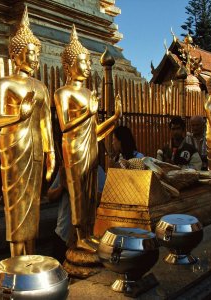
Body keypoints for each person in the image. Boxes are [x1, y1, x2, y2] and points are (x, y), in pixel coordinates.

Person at [0, 8, 55, 257]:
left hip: (37, 148)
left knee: (33, 203)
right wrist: (20, 114)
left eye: (37, 53)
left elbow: (46, 123)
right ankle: (17, 257)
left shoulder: (41, 86)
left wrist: (51, 153)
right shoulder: (3, 84)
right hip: (14, 147)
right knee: (17, 203)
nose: (35, 57)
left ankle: (32, 252)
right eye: (30, 52)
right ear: (16, 55)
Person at [54, 25, 121, 253]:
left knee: (91, 195)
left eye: (88, 62)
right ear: (70, 66)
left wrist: (113, 118)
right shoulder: (63, 93)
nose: (88, 66)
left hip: (90, 146)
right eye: (83, 61)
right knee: (78, 194)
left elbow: (95, 131)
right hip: (73, 148)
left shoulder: (88, 94)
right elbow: (65, 125)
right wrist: (89, 112)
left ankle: (89, 232)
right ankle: (80, 236)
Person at [47, 166, 106, 263]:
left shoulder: (96, 170)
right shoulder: (65, 169)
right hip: (62, 231)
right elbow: (50, 196)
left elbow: (100, 199)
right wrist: (62, 187)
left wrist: (77, 189)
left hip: (84, 235)